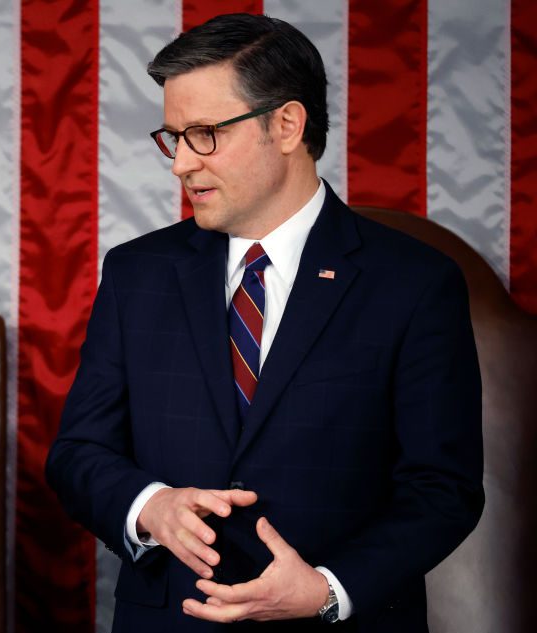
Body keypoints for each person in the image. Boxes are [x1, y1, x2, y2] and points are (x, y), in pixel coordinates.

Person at [46, 13, 483, 632]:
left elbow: (443, 489)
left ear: (286, 125)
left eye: (204, 134)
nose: (180, 165)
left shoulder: (414, 282)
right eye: (174, 137)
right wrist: (151, 507)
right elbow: (78, 454)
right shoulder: (136, 273)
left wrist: (328, 590)